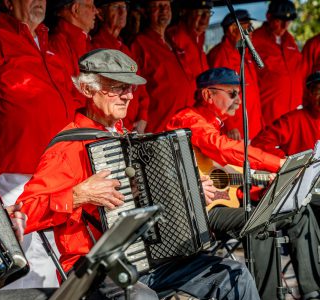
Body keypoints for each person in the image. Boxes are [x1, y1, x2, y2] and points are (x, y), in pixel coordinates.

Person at [16, 49, 260, 300]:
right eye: (118, 88)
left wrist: (190, 191)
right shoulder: (66, 149)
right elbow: (23, 213)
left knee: (232, 273)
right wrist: (77, 195)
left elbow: (148, 198)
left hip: (148, 258)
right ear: (88, 90)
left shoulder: (124, 137)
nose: (129, 96)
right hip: (94, 268)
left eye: (130, 88)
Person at [167, 67, 320, 300]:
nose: (239, 100)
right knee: (260, 220)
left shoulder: (214, 125)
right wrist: (276, 164)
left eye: (239, 93)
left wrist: (264, 175)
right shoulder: (188, 119)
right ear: (208, 95)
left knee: (300, 211)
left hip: (221, 205)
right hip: (198, 212)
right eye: (232, 93)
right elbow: (222, 148)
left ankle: (312, 291)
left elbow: (227, 169)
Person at [0, 0, 75, 289]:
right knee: (26, 266)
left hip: (57, 173)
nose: (38, 1)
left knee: (54, 265)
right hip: (12, 173)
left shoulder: (51, 41)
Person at [130, 0, 195, 133]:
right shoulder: (139, 43)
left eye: (166, 6)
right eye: (157, 6)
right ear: (146, 11)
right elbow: (135, 86)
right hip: (159, 127)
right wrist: (142, 115)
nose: (164, 10)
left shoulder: (173, 42)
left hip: (184, 125)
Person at [92, 0, 150, 133]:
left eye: (124, 7)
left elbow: (141, 91)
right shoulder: (94, 49)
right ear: (100, 13)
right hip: (108, 131)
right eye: (116, 7)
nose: (122, 11)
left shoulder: (125, 49)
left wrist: (142, 117)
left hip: (130, 131)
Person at [208, 10, 263, 141]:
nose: (252, 31)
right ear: (233, 29)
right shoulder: (220, 55)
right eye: (248, 27)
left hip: (253, 128)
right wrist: (229, 125)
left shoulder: (244, 53)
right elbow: (217, 94)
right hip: (236, 132)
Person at [253, 0, 304, 126]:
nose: (284, 25)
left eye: (288, 21)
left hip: (294, 115)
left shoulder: (290, 40)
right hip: (270, 118)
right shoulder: (255, 40)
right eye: (280, 20)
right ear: (269, 17)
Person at [251, 71, 320, 157]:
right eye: (318, 91)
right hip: (300, 170)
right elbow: (259, 143)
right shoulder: (291, 120)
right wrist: (286, 161)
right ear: (309, 93)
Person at [166, 0, 212, 103]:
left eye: (208, 13)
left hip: (198, 108)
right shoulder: (173, 37)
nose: (205, 17)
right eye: (199, 12)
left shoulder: (199, 39)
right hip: (183, 108)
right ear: (185, 12)